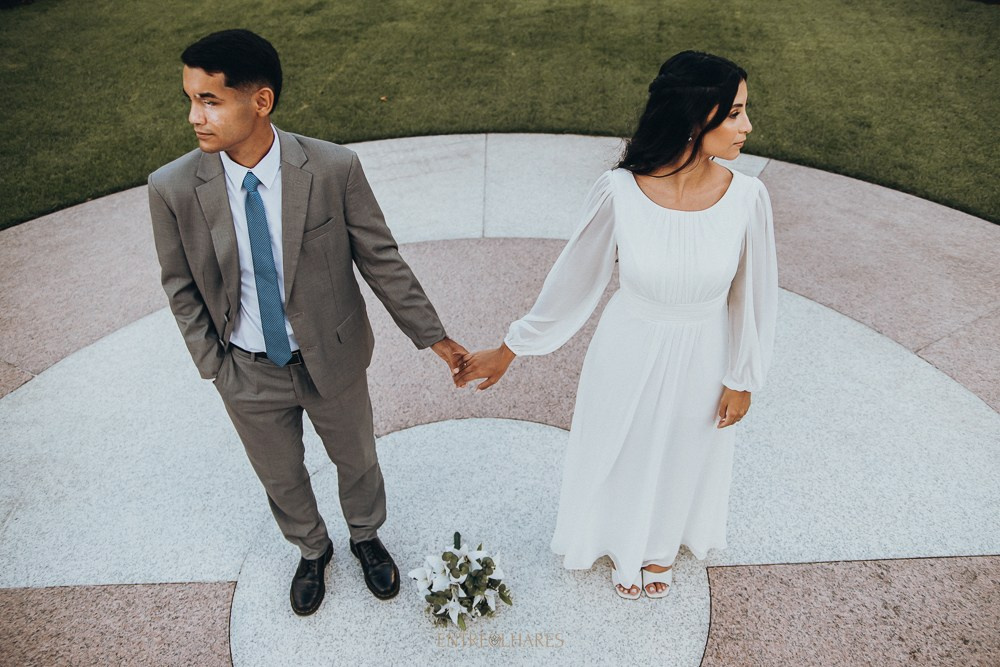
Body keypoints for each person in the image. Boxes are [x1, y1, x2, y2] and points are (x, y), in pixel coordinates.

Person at [148, 29, 468, 616]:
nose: (195, 116)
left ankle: (366, 536)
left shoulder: (331, 167)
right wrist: (213, 365)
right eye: (190, 99)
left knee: (358, 460)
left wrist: (435, 337)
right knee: (281, 476)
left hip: (333, 359)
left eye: (210, 101)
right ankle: (311, 549)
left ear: (260, 102)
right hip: (245, 370)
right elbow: (180, 284)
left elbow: (380, 258)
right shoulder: (171, 187)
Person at [456, 51, 778, 599]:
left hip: (704, 348)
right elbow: (572, 283)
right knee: (621, 444)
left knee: (684, 447)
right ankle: (616, 535)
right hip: (629, 343)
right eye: (735, 113)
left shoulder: (748, 197)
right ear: (695, 116)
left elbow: (755, 297)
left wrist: (743, 376)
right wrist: (510, 349)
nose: (747, 126)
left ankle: (658, 549)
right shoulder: (619, 192)